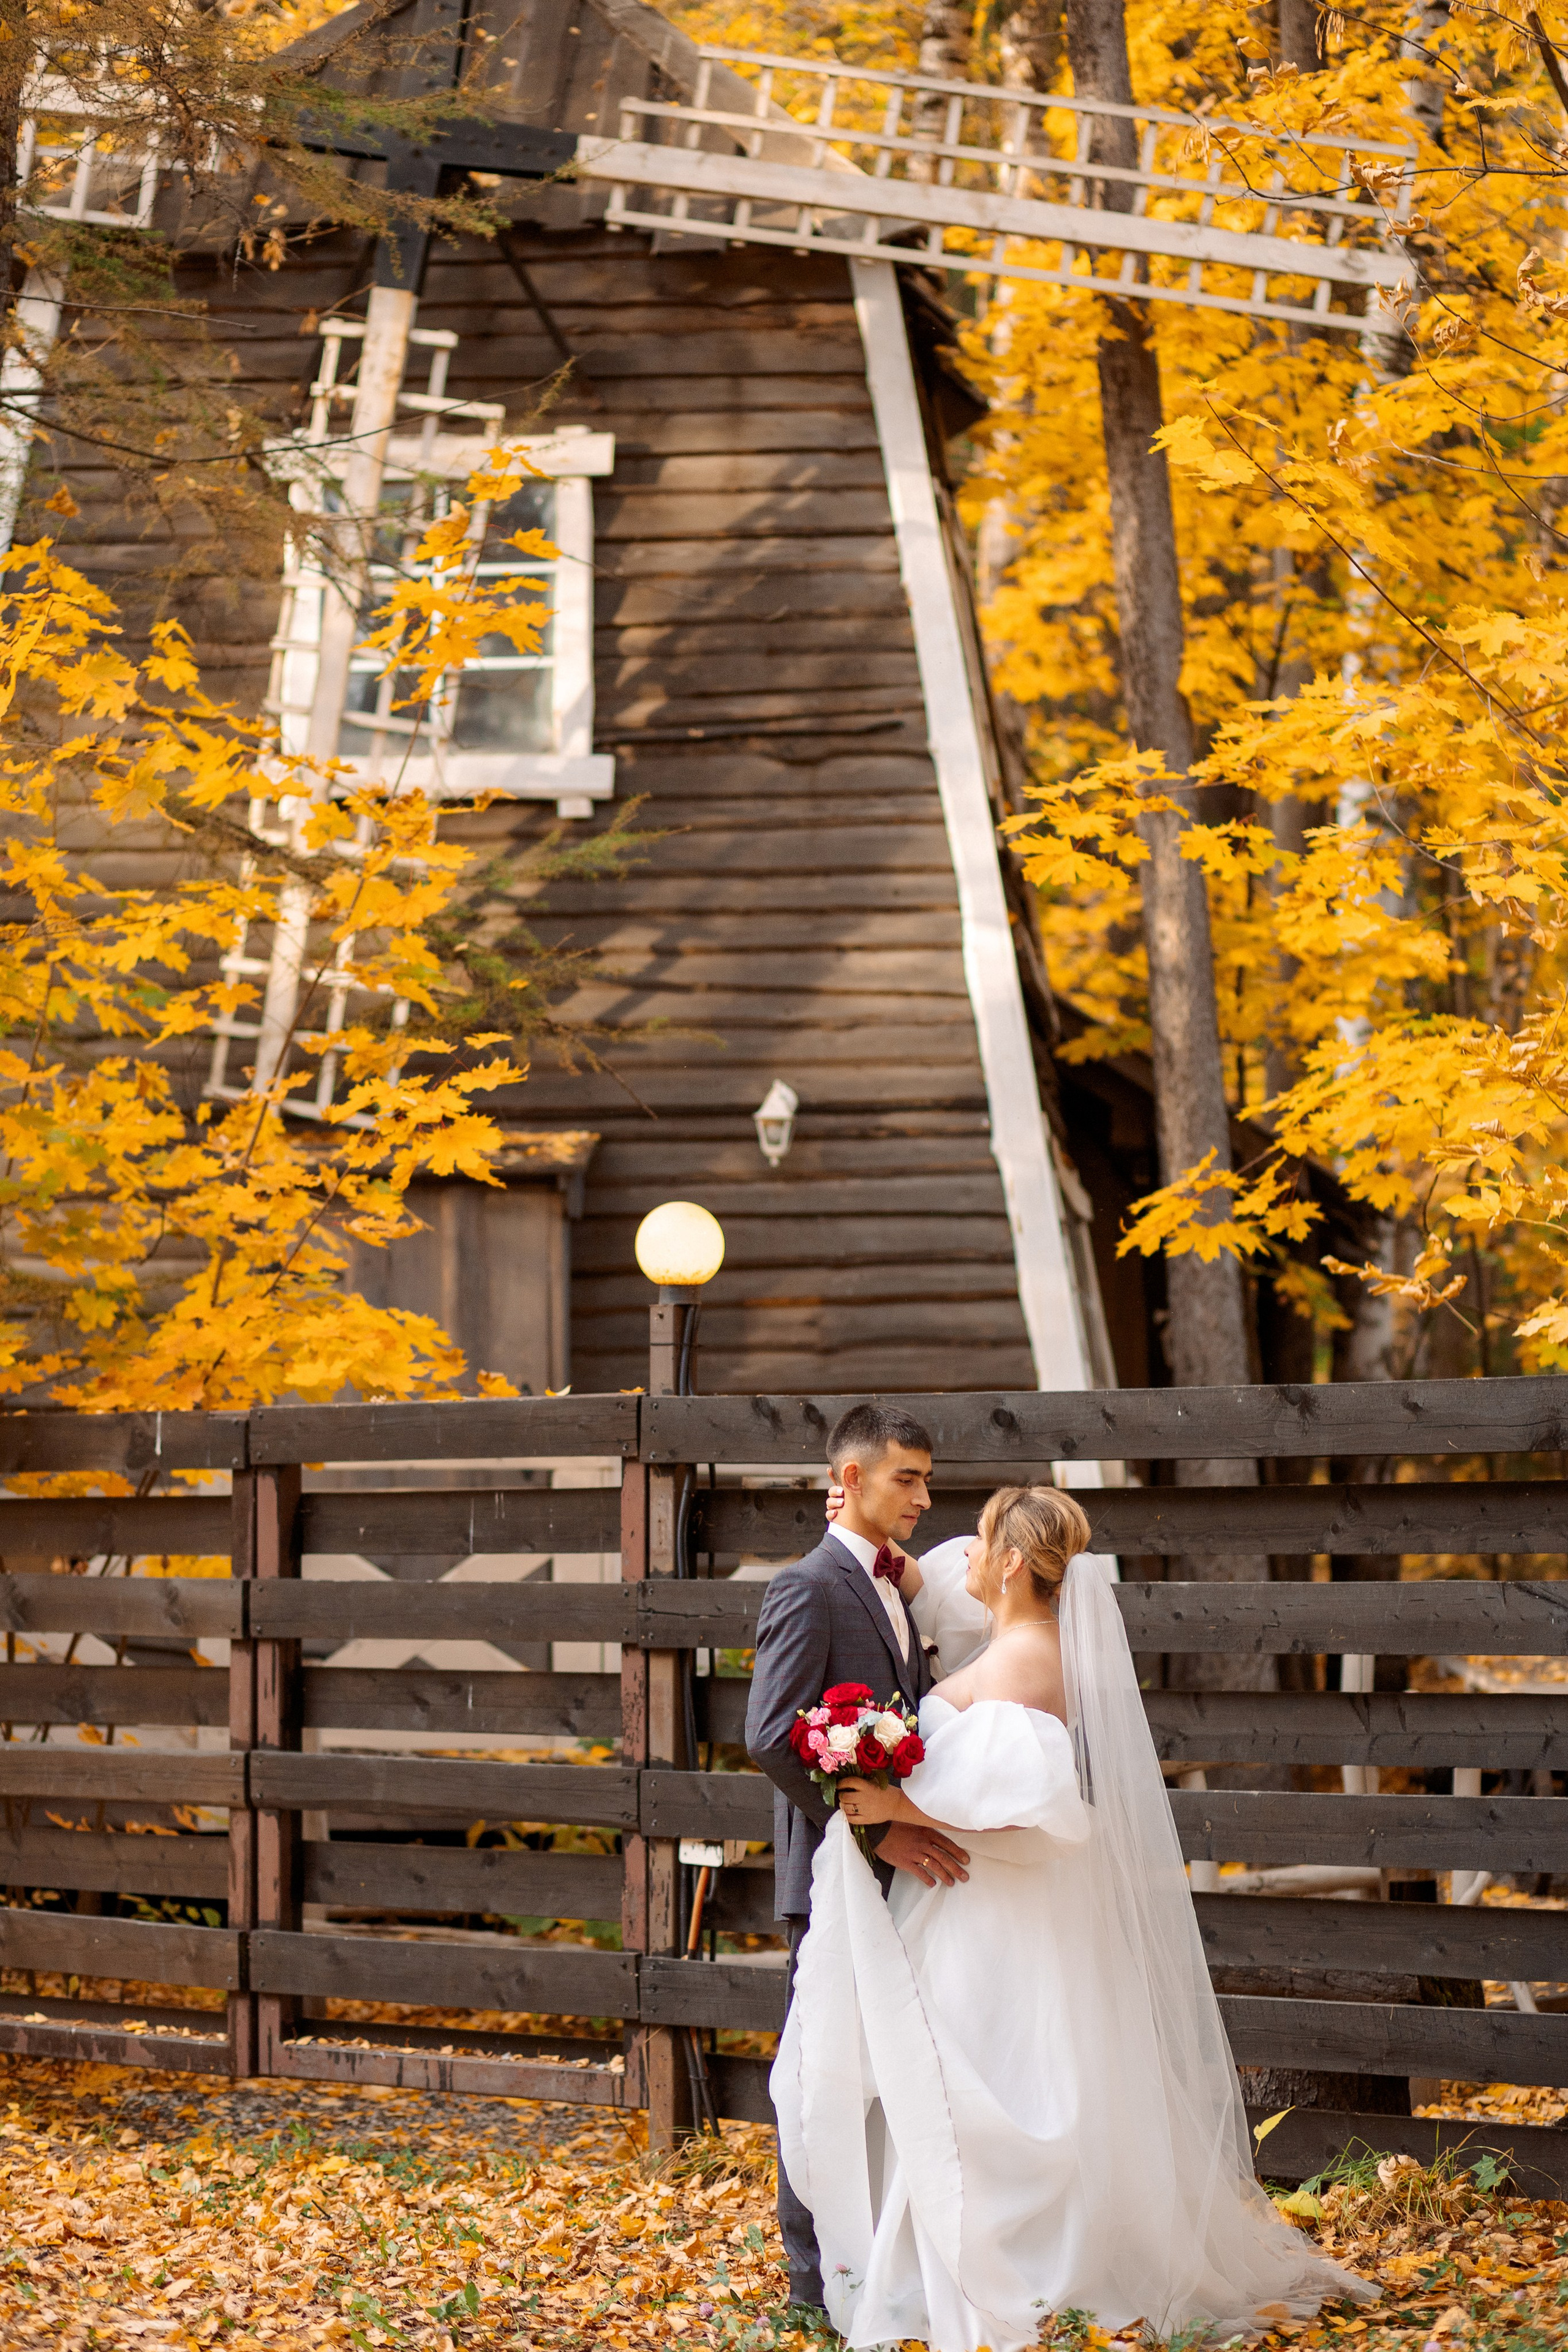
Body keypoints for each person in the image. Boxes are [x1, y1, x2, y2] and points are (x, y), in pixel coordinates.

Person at [770, 1485, 1378, 2351]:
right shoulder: (1014, 1634)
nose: (965, 1554)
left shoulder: (1026, 1662)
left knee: (988, 2082)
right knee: (977, 2081)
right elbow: (934, 1580)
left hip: (992, 1916)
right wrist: (866, 1527)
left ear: (1015, 1562)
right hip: (980, 1908)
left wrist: (898, 1807)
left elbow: (1039, 1807)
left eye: (982, 1541)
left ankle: (1009, 2273)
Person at [745, 1401, 971, 2316]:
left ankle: (876, 2270)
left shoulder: (890, 1585)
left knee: (891, 2079)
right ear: (850, 1480)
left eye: (925, 1477)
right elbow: (769, 1734)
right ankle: (811, 2287)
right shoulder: (807, 1586)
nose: (923, 1495)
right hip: (836, 1874)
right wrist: (875, 1828)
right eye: (906, 1477)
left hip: (897, 1882)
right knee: (822, 2077)